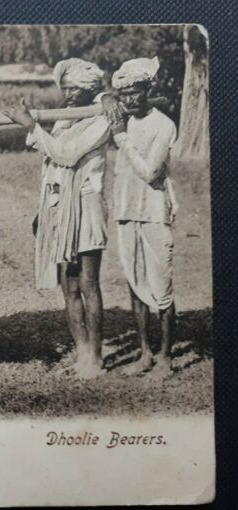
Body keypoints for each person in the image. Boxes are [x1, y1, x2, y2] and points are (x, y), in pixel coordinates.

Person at [4, 58, 121, 379]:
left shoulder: (101, 118)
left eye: (74, 89)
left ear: (89, 90)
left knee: (88, 283)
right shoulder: (64, 119)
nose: (68, 94)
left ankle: (95, 359)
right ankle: (82, 355)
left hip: (86, 206)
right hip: (58, 207)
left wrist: (31, 127)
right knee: (68, 287)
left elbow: (66, 155)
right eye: (64, 88)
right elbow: (51, 163)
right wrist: (44, 211)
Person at [109, 57, 178, 380]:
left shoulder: (163, 125)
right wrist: (109, 104)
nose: (129, 99)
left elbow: (150, 172)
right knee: (135, 284)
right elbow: (99, 102)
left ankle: (165, 357)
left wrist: (121, 138)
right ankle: (145, 353)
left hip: (153, 213)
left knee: (161, 286)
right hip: (126, 212)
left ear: (148, 90)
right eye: (123, 94)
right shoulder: (121, 119)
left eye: (135, 92)